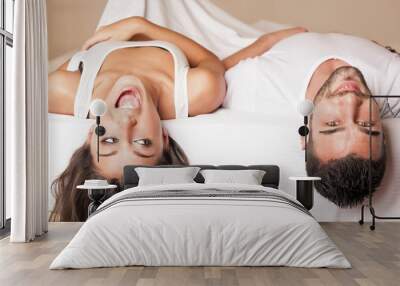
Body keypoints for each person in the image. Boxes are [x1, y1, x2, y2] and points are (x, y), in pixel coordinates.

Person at [49, 16, 226, 221]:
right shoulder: (196, 91)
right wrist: (139, 25)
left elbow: (81, 54)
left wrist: (112, 32)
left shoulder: (64, 93)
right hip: (171, 19)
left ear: (91, 135)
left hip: (108, 23)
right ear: (164, 138)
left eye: (109, 140)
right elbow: (213, 63)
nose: (126, 123)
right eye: (142, 142)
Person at [223, 28, 400, 207]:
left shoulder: (257, 88)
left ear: (306, 134)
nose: (350, 101)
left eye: (333, 123)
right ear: (383, 136)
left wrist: (267, 41)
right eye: (366, 124)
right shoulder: (394, 82)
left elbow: (214, 75)